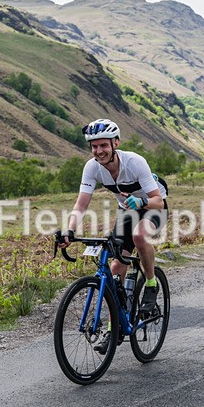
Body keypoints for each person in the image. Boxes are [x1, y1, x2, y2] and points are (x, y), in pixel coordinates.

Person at [58, 118, 168, 353]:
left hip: (152, 206)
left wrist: (141, 201)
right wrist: (69, 229)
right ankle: (114, 328)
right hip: (128, 211)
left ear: (115, 143)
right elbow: (81, 203)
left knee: (139, 236)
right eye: (94, 147)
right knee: (116, 266)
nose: (99, 151)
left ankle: (150, 284)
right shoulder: (92, 168)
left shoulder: (135, 162)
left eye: (103, 146)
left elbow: (158, 200)